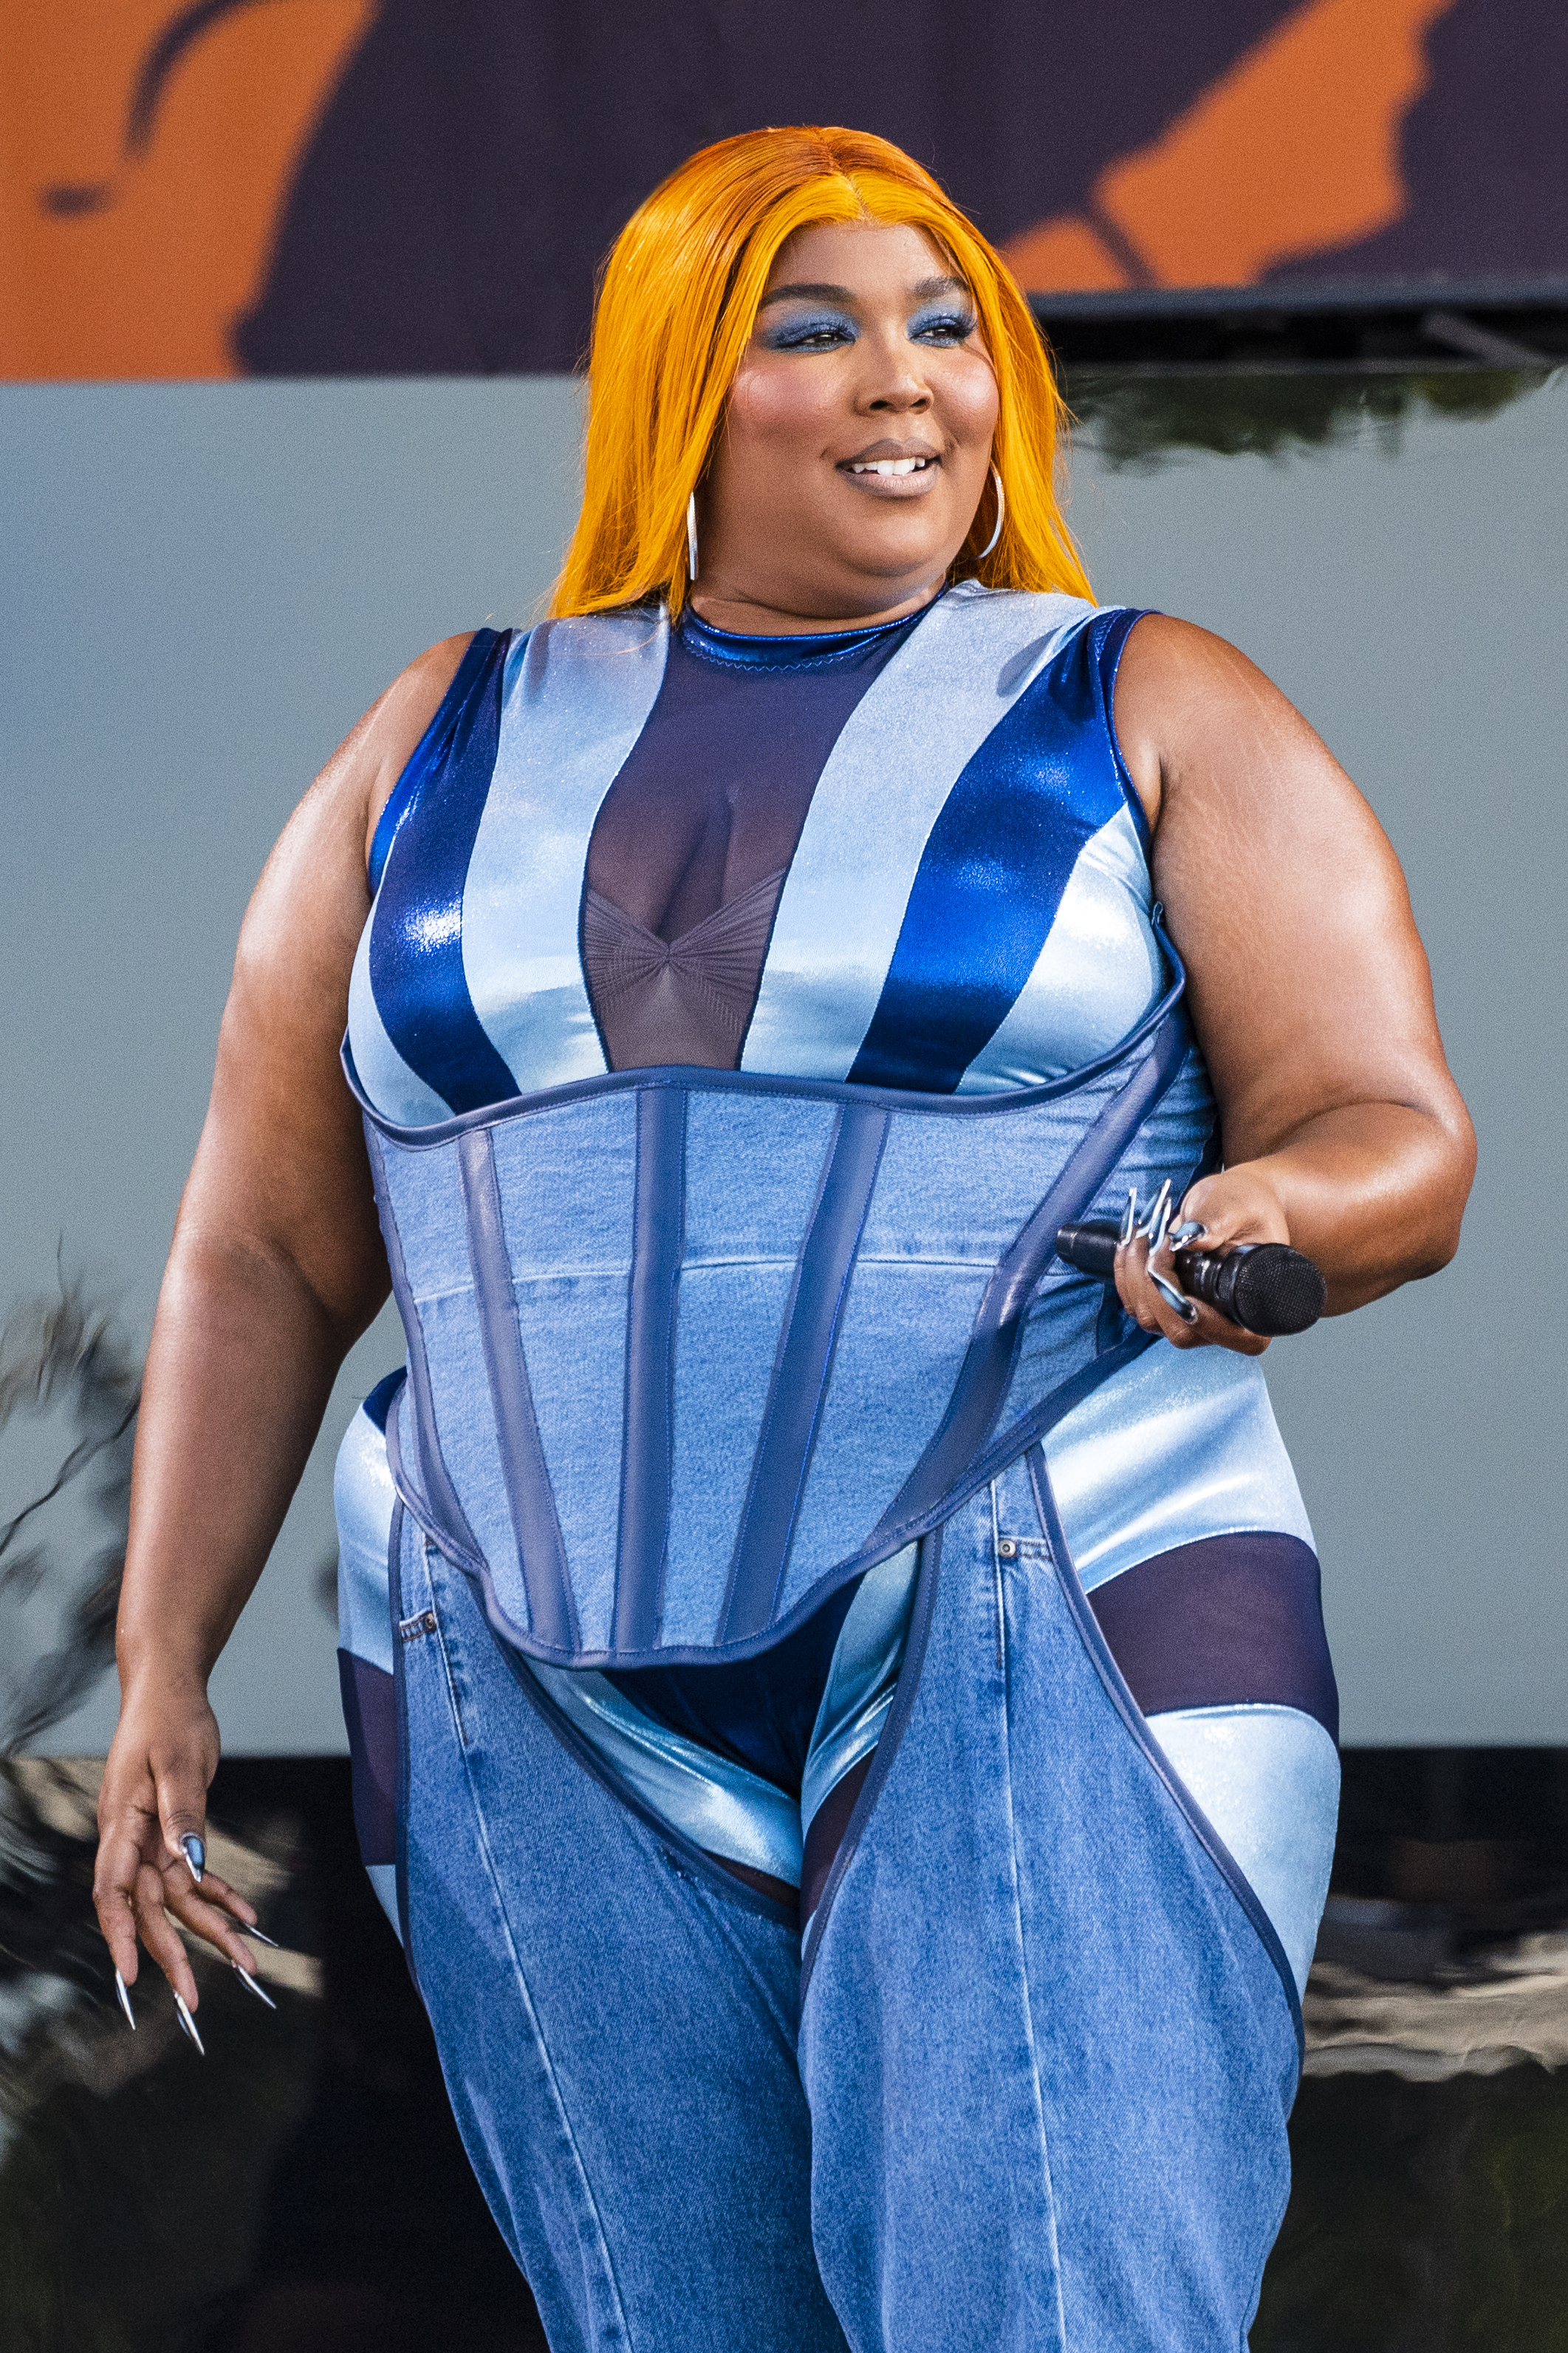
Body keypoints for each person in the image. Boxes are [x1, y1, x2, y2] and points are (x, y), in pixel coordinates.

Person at [94, 126, 1474, 2352]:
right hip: (511, 1649)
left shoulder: (1141, 703)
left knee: (1047, 2308)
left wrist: (1262, 1216)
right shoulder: (429, 743)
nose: (904, 377)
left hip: (1047, 1582)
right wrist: (163, 1660)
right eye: (811, 328)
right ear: (673, 390)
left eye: (946, 329)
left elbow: (1387, 1125)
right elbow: (260, 1248)